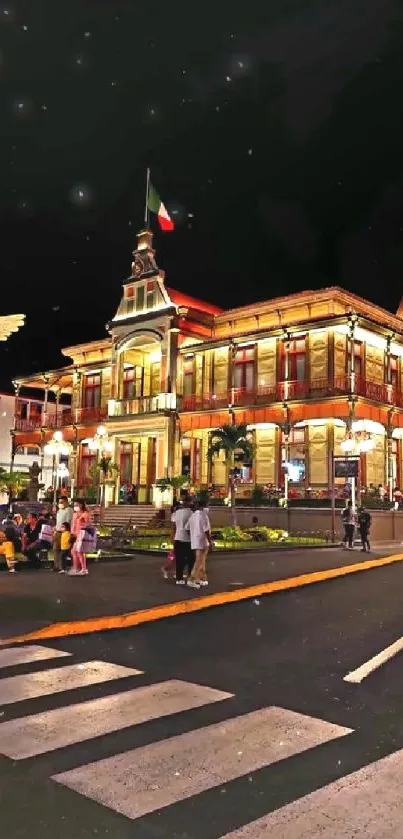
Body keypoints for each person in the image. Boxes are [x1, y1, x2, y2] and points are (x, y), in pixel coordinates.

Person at [186, 501, 213, 589]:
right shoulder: (203, 515)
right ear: (202, 507)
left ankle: (200, 578)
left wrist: (193, 536)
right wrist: (210, 542)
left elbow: (187, 528)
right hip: (203, 541)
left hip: (195, 541)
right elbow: (206, 530)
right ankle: (192, 579)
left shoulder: (192, 516)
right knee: (199, 561)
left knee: (201, 561)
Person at [170, 496, 194, 585]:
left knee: (179, 559)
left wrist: (172, 537)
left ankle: (179, 578)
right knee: (191, 559)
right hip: (189, 539)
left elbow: (173, 527)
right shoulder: (192, 513)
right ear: (190, 503)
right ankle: (190, 577)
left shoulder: (176, 513)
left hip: (178, 538)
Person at [69, 500, 91, 575]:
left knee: (78, 551)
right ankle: (77, 568)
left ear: (81, 505)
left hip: (82, 535)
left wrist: (83, 522)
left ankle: (82, 569)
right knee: (75, 552)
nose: (75, 506)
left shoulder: (85, 514)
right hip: (75, 535)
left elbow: (88, 524)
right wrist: (72, 533)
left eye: (76, 505)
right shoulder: (75, 514)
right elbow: (73, 524)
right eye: (74, 505)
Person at [53, 497, 73, 572]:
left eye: (62, 502)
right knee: (56, 549)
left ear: (66, 502)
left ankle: (62, 566)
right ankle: (56, 565)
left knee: (64, 550)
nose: (60, 504)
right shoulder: (59, 511)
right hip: (58, 531)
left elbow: (68, 522)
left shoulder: (69, 510)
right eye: (59, 502)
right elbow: (58, 521)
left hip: (65, 532)